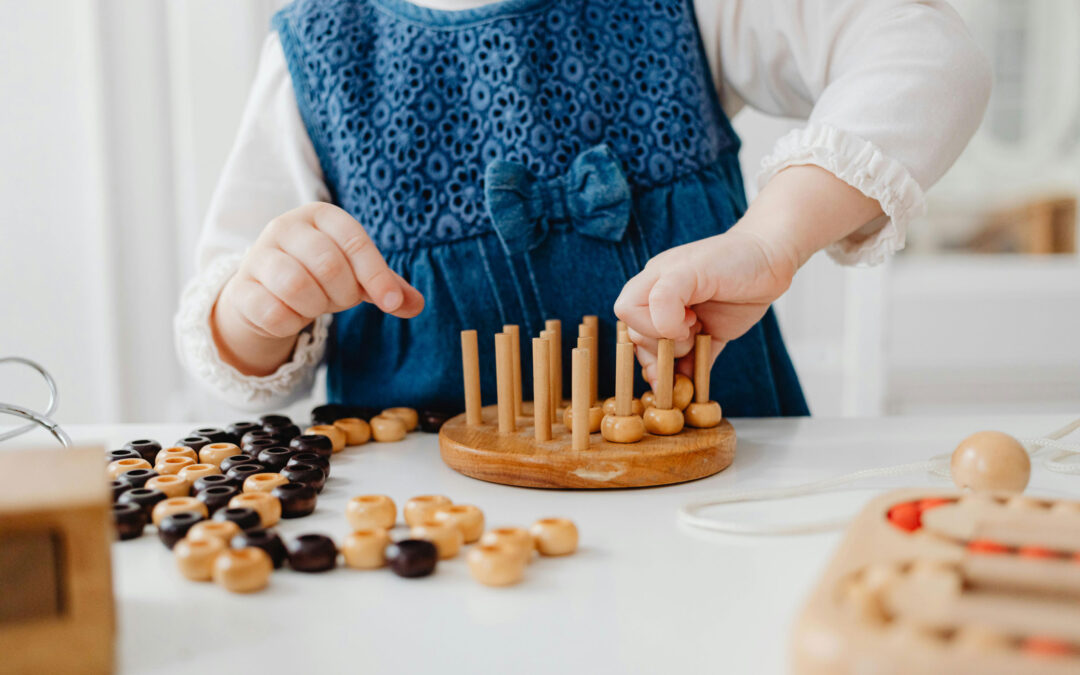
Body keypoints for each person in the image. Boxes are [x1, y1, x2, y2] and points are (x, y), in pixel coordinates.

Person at [175, 0, 991, 416]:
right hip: (432, 562)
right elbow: (230, 346)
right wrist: (257, 310)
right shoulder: (316, 54)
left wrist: (773, 239)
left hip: (714, 523)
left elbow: (925, 54)